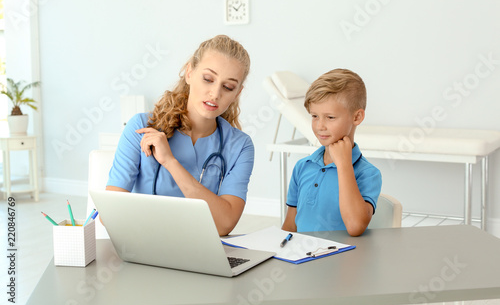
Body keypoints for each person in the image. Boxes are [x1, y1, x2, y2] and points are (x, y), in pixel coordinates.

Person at [106, 35, 253, 236]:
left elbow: (224, 224)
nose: (215, 93)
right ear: (189, 72)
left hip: (204, 254)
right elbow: (110, 213)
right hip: (145, 248)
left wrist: (170, 162)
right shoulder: (141, 127)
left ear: (237, 93)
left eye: (228, 87)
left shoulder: (240, 146)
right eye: (208, 79)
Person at [281, 68, 382, 236]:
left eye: (330, 117)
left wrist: (343, 165)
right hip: (303, 258)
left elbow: (355, 227)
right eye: (314, 116)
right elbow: (290, 226)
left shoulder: (368, 174)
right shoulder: (302, 167)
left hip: (343, 260)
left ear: (356, 117)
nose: (320, 126)